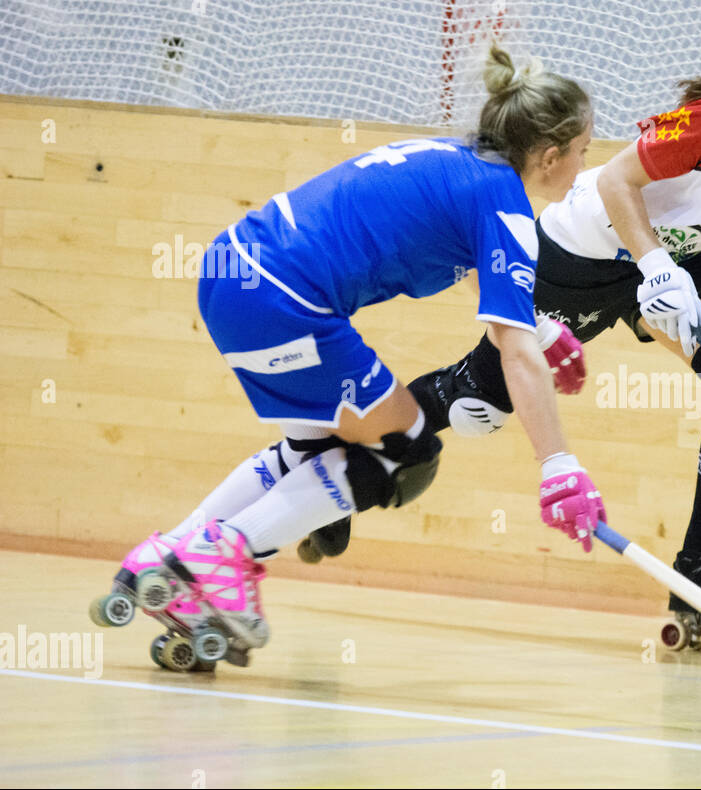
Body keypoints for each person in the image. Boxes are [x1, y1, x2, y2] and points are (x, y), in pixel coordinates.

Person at [308, 18, 701, 652]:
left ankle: (699, 571)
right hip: (593, 244)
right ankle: (338, 464)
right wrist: (651, 264)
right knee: (479, 406)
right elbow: (614, 179)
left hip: (684, 260)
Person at [88, 48, 606, 671]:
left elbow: (471, 266)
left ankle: (168, 555)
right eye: (582, 149)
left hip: (233, 272)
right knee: (406, 450)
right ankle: (219, 556)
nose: (584, 165)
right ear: (549, 155)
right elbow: (515, 355)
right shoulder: (504, 205)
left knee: (310, 448)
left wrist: (538, 324)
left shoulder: (453, 158)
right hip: (285, 300)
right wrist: (558, 464)